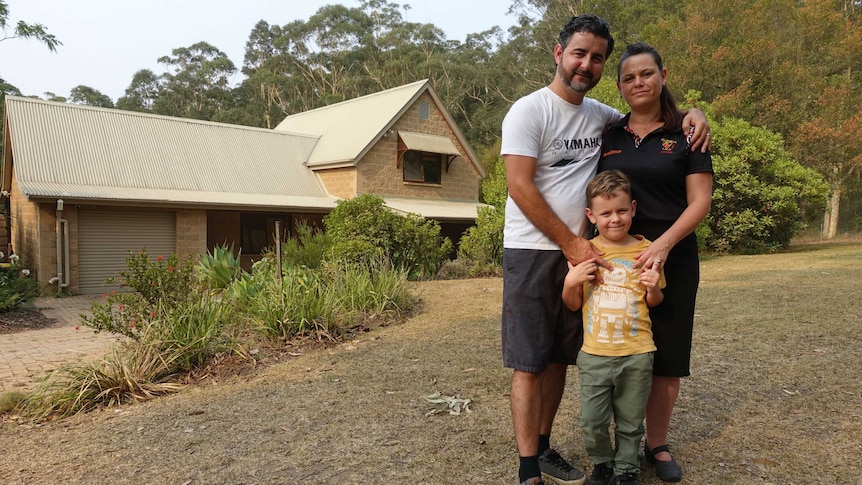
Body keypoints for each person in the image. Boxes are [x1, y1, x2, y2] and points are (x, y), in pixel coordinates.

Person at [500, 15, 711, 485]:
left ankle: (559, 446)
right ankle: (527, 466)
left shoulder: (602, 117)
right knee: (530, 359)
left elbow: (655, 119)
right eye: (579, 53)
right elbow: (519, 185)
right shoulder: (529, 111)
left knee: (563, 356)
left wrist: (695, 113)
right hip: (543, 249)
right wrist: (574, 243)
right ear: (559, 53)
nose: (586, 64)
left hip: (605, 253)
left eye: (597, 57)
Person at [597, 42, 714, 483]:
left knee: (667, 356)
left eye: (646, 74)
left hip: (674, 259)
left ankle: (656, 443)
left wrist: (662, 245)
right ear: (621, 86)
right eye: (629, 77)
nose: (638, 83)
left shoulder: (687, 133)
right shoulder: (609, 133)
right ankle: (619, 440)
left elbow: (699, 202)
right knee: (617, 348)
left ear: (663, 75)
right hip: (617, 264)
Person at [562, 170, 665, 485]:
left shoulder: (647, 251)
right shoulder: (585, 251)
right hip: (595, 355)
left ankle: (626, 470)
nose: (615, 219)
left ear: (633, 208)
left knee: (631, 422)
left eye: (621, 211)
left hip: (637, 353)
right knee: (592, 421)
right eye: (605, 213)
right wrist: (570, 282)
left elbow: (656, 300)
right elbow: (573, 304)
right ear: (591, 215)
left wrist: (652, 288)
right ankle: (603, 463)